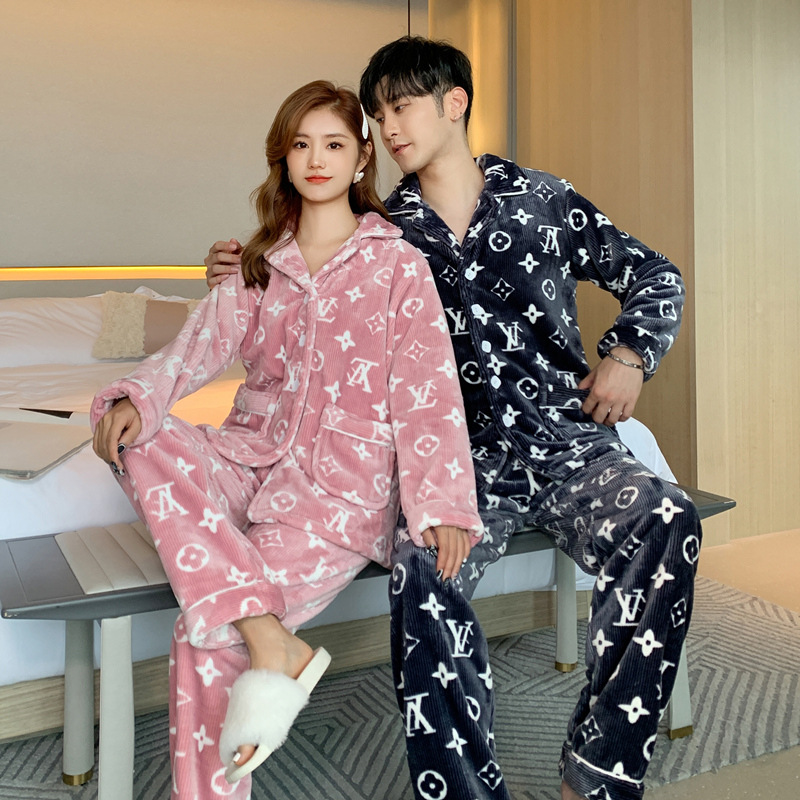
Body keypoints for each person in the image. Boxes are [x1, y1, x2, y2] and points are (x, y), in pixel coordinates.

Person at [205, 38, 702, 800]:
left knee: (668, 518)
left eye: (400, 107)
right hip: (453, 465)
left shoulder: (544, 201)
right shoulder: (377, 233)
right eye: (377, 115)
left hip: (564, 441)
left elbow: (654, 273)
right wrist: (249, 273)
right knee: (420, 573)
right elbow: (305, 306)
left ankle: (599, 772)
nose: (387, 128)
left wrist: (630, 354)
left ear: (454, 103)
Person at [91, 79, 483, 800]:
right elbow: (196, 350)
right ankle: (271, 636)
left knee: (207, 632)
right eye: (302, 144)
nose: (317, 159)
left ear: (362, 158)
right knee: (138, 432)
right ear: (284, 157)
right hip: (247, 458)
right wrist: (139, 396)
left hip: (335, 491)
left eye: (334, 144)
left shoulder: (397, 265)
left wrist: (443, 504)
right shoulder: (259, 263)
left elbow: (427, 391)